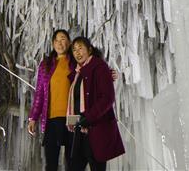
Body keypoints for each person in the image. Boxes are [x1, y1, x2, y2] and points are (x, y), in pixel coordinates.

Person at [67, 37, 125, 171]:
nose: (77, 52)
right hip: (79, 130)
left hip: (95, 130)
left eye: (80, 48)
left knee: (97, 167)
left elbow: (107, 98)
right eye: (74, 50)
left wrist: (88, 117)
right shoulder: (77, 73)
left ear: (89, 49)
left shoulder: (99, 67)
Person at [28, 29, 77, 171]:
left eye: (63, 39)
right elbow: (40, 95)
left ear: (68, 42)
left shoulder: (75, 62)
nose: (60, 43)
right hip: (51, 117)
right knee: (51, 162)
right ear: (52, 43)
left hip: (72, 117)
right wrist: (33, 117)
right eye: (56, 40)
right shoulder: (45, 65)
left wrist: (108, 74)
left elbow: (92, 74)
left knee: (72, 161)